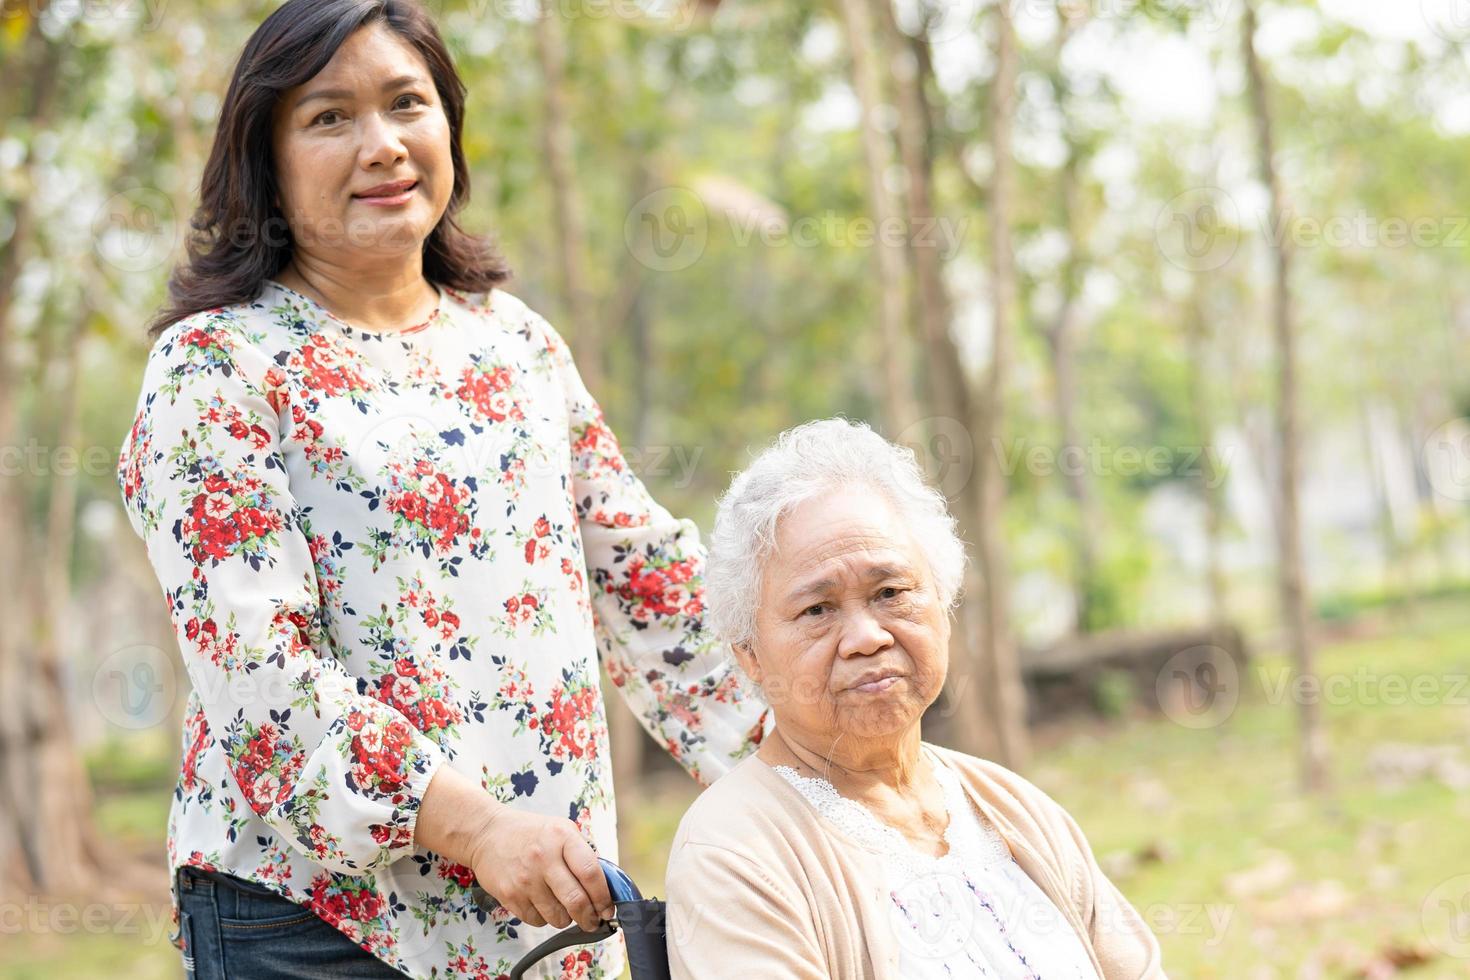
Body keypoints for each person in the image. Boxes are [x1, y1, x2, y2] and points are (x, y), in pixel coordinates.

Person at [114, 2, 767, 977]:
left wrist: (808, 758)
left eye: (406, 103)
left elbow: (644, 576)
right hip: (317, 922)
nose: (381, 145)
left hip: (544, 901)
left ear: (448, 128)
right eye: (329, 117)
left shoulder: (515, 343)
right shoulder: (214, 368)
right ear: (268, 157)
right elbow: (259, 673)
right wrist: (478, 829)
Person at [664, 418, 1167, 979]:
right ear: (750, 652)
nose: (867, 637)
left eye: (890, 592)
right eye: (817, 610)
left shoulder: (1015, 809)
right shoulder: (734, 855)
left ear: (942, 601)